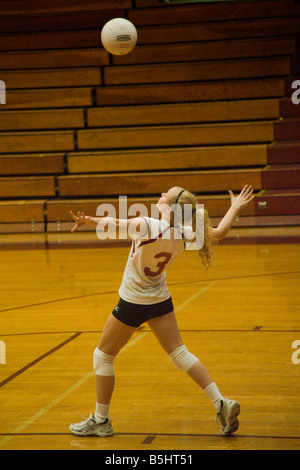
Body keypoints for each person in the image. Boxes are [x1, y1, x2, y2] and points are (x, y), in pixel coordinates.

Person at [69, 185, 254, 437]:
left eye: (164, 195)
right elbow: (219, 233)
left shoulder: (147, 225)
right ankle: (221, 402)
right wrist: (234, 208)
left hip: (133, 301)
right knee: (179, 352)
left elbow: (113, 223)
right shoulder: (186, 232)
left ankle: (101, 420)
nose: (160, 197)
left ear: (169, 206)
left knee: (103, 356)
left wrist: (89, 220)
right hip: (159, 299)